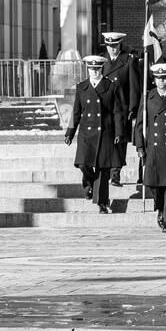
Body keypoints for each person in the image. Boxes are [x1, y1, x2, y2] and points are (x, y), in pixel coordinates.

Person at [64, 55, 124, 214]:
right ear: (88, 69)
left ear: (102, 69)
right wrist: (70, 132)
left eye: (97, 68)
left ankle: (102, 203)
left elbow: (117, 112)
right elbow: (75, 113)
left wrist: (119, 132)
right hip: (86, 133)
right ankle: (88, 183)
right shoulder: (81, 87)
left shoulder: (111, 86)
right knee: (83, 164)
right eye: (92, 69)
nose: (94, 71)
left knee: (103, 170)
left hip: (105, 132)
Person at [135, 62, 166, 232]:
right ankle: (160, 208)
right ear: (154, 79)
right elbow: (140, 124)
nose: (161, 81)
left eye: (164, 78)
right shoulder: (147, 97)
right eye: (158, 78)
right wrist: (140, 146)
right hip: (154, 149)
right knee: (155, 185)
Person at [100, 32, 140, 187]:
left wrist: (132, 107)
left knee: (120, 142)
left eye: (115, 46)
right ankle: (108, 173)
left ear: (120, 44)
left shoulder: (128, 60)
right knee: (108, 142)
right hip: (106, 108)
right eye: (110, 46)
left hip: (122, 108)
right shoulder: (102, 61)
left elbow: (134, 86)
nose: (112, 49)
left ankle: (115, 175)